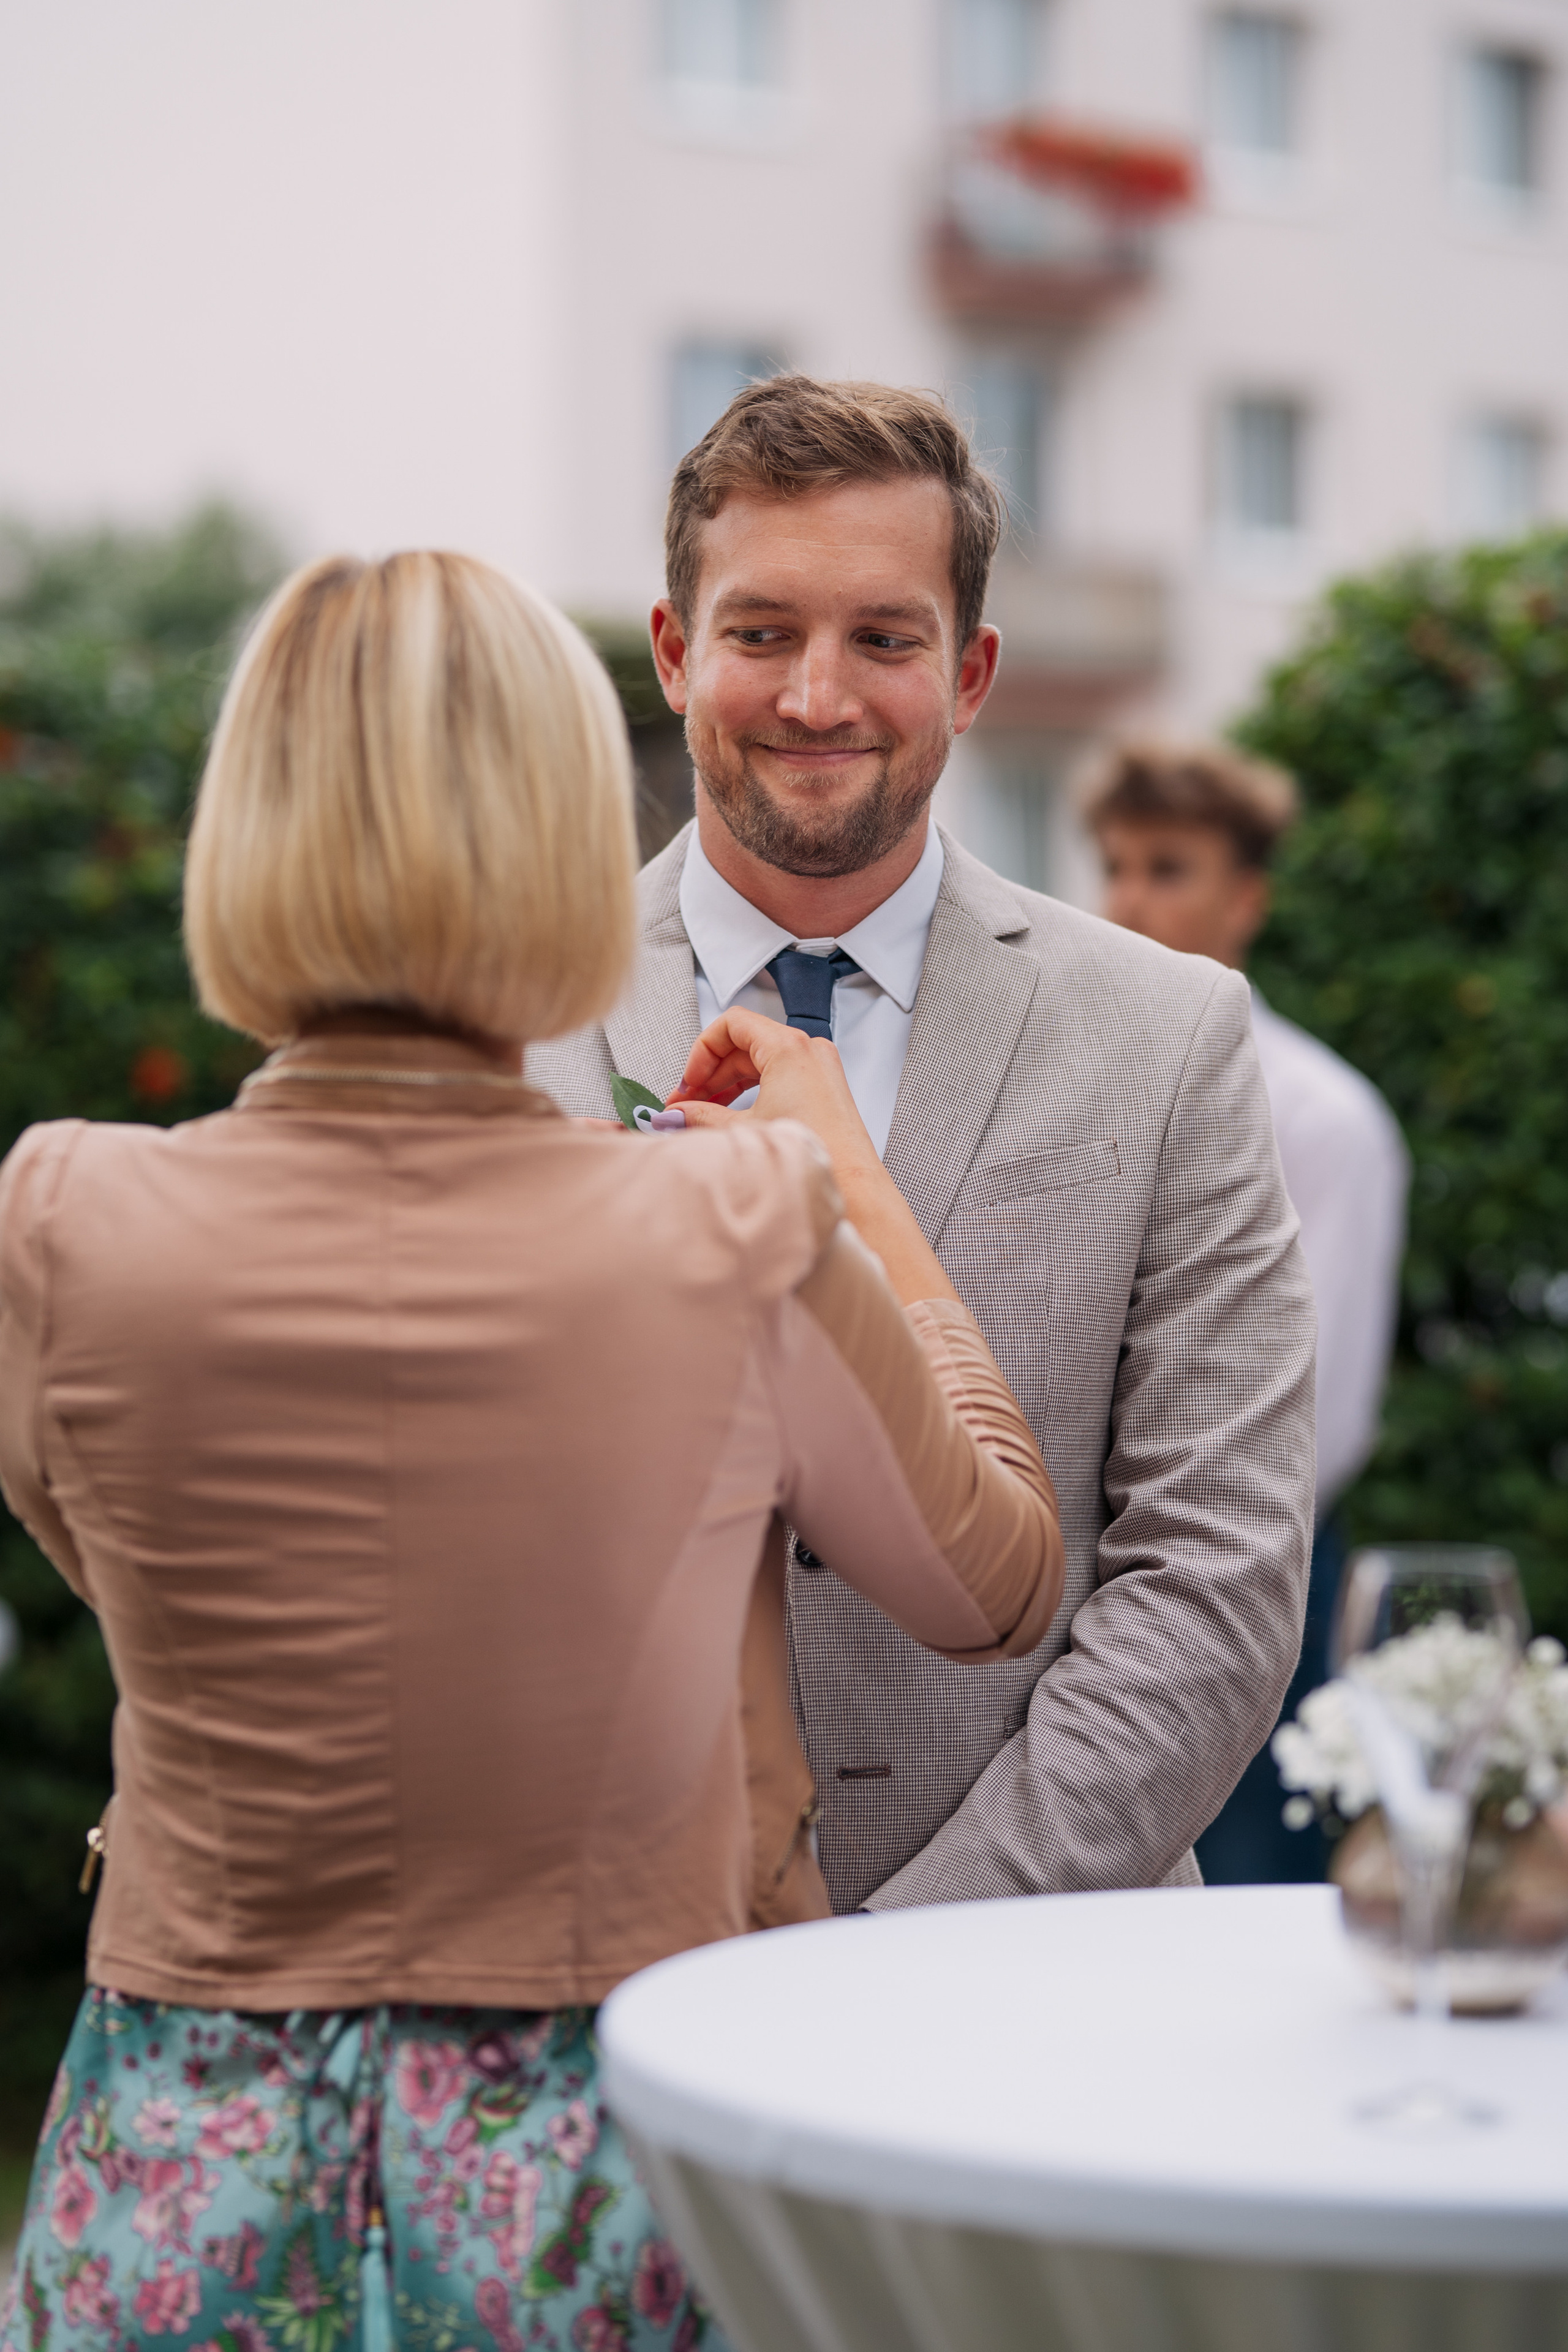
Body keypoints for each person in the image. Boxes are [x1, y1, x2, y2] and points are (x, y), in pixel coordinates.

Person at [0, 551, 1066, 2352]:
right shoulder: (733, 1221)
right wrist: (847, 1191)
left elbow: (98, 1541)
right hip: (595, 2152)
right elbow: (997, 1583)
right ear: (570, 836)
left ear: (242, 832)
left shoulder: (62, 1218)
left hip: (184, 2144)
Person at [530, 374, 1317, 1913]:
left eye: (882, 639)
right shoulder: (504, 1012)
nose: (816, 698)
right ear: (677, 655)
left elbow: (1215, 1576)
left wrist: (922, 1947)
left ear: (967, 675)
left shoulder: (1170, 1037)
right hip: (602, 1979)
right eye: (761, 634)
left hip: (1045, 1985)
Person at [1085, 737, 1410, 1882]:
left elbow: (1324, 1422)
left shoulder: (1325, 1118)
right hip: (1059, 1570)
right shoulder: (1066, 1087)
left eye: (1168, 868)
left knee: (1239, 1911)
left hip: (1252, 1575)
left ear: (1248, 899)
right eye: (1117, 865)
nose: (1128, 898)